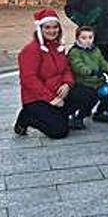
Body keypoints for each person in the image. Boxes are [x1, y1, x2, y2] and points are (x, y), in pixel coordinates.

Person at [14, 9, 74, 139]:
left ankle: (59, 114)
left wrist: (67, 84)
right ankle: (27, 117)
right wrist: (51, 99)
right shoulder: (31, 50)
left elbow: (66, 69)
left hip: (58, 92)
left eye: (55, 27)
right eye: (47, 27)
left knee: (84, 93)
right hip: (37, 98)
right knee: (59, 131)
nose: (52, 31)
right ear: (40, 28)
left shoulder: (58, 47)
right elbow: (29, 80)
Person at [67, 26, 108, 129]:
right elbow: (78, 65)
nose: (87, 40)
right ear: (77, 39)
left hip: (98, 81)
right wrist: (90, 71)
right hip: (84, 82)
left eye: (90, 37)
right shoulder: (75, 52)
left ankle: (100, 112)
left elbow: (103, 63)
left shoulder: (96, 50)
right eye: (83, 38)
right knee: (90, 98)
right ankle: (79, 118)